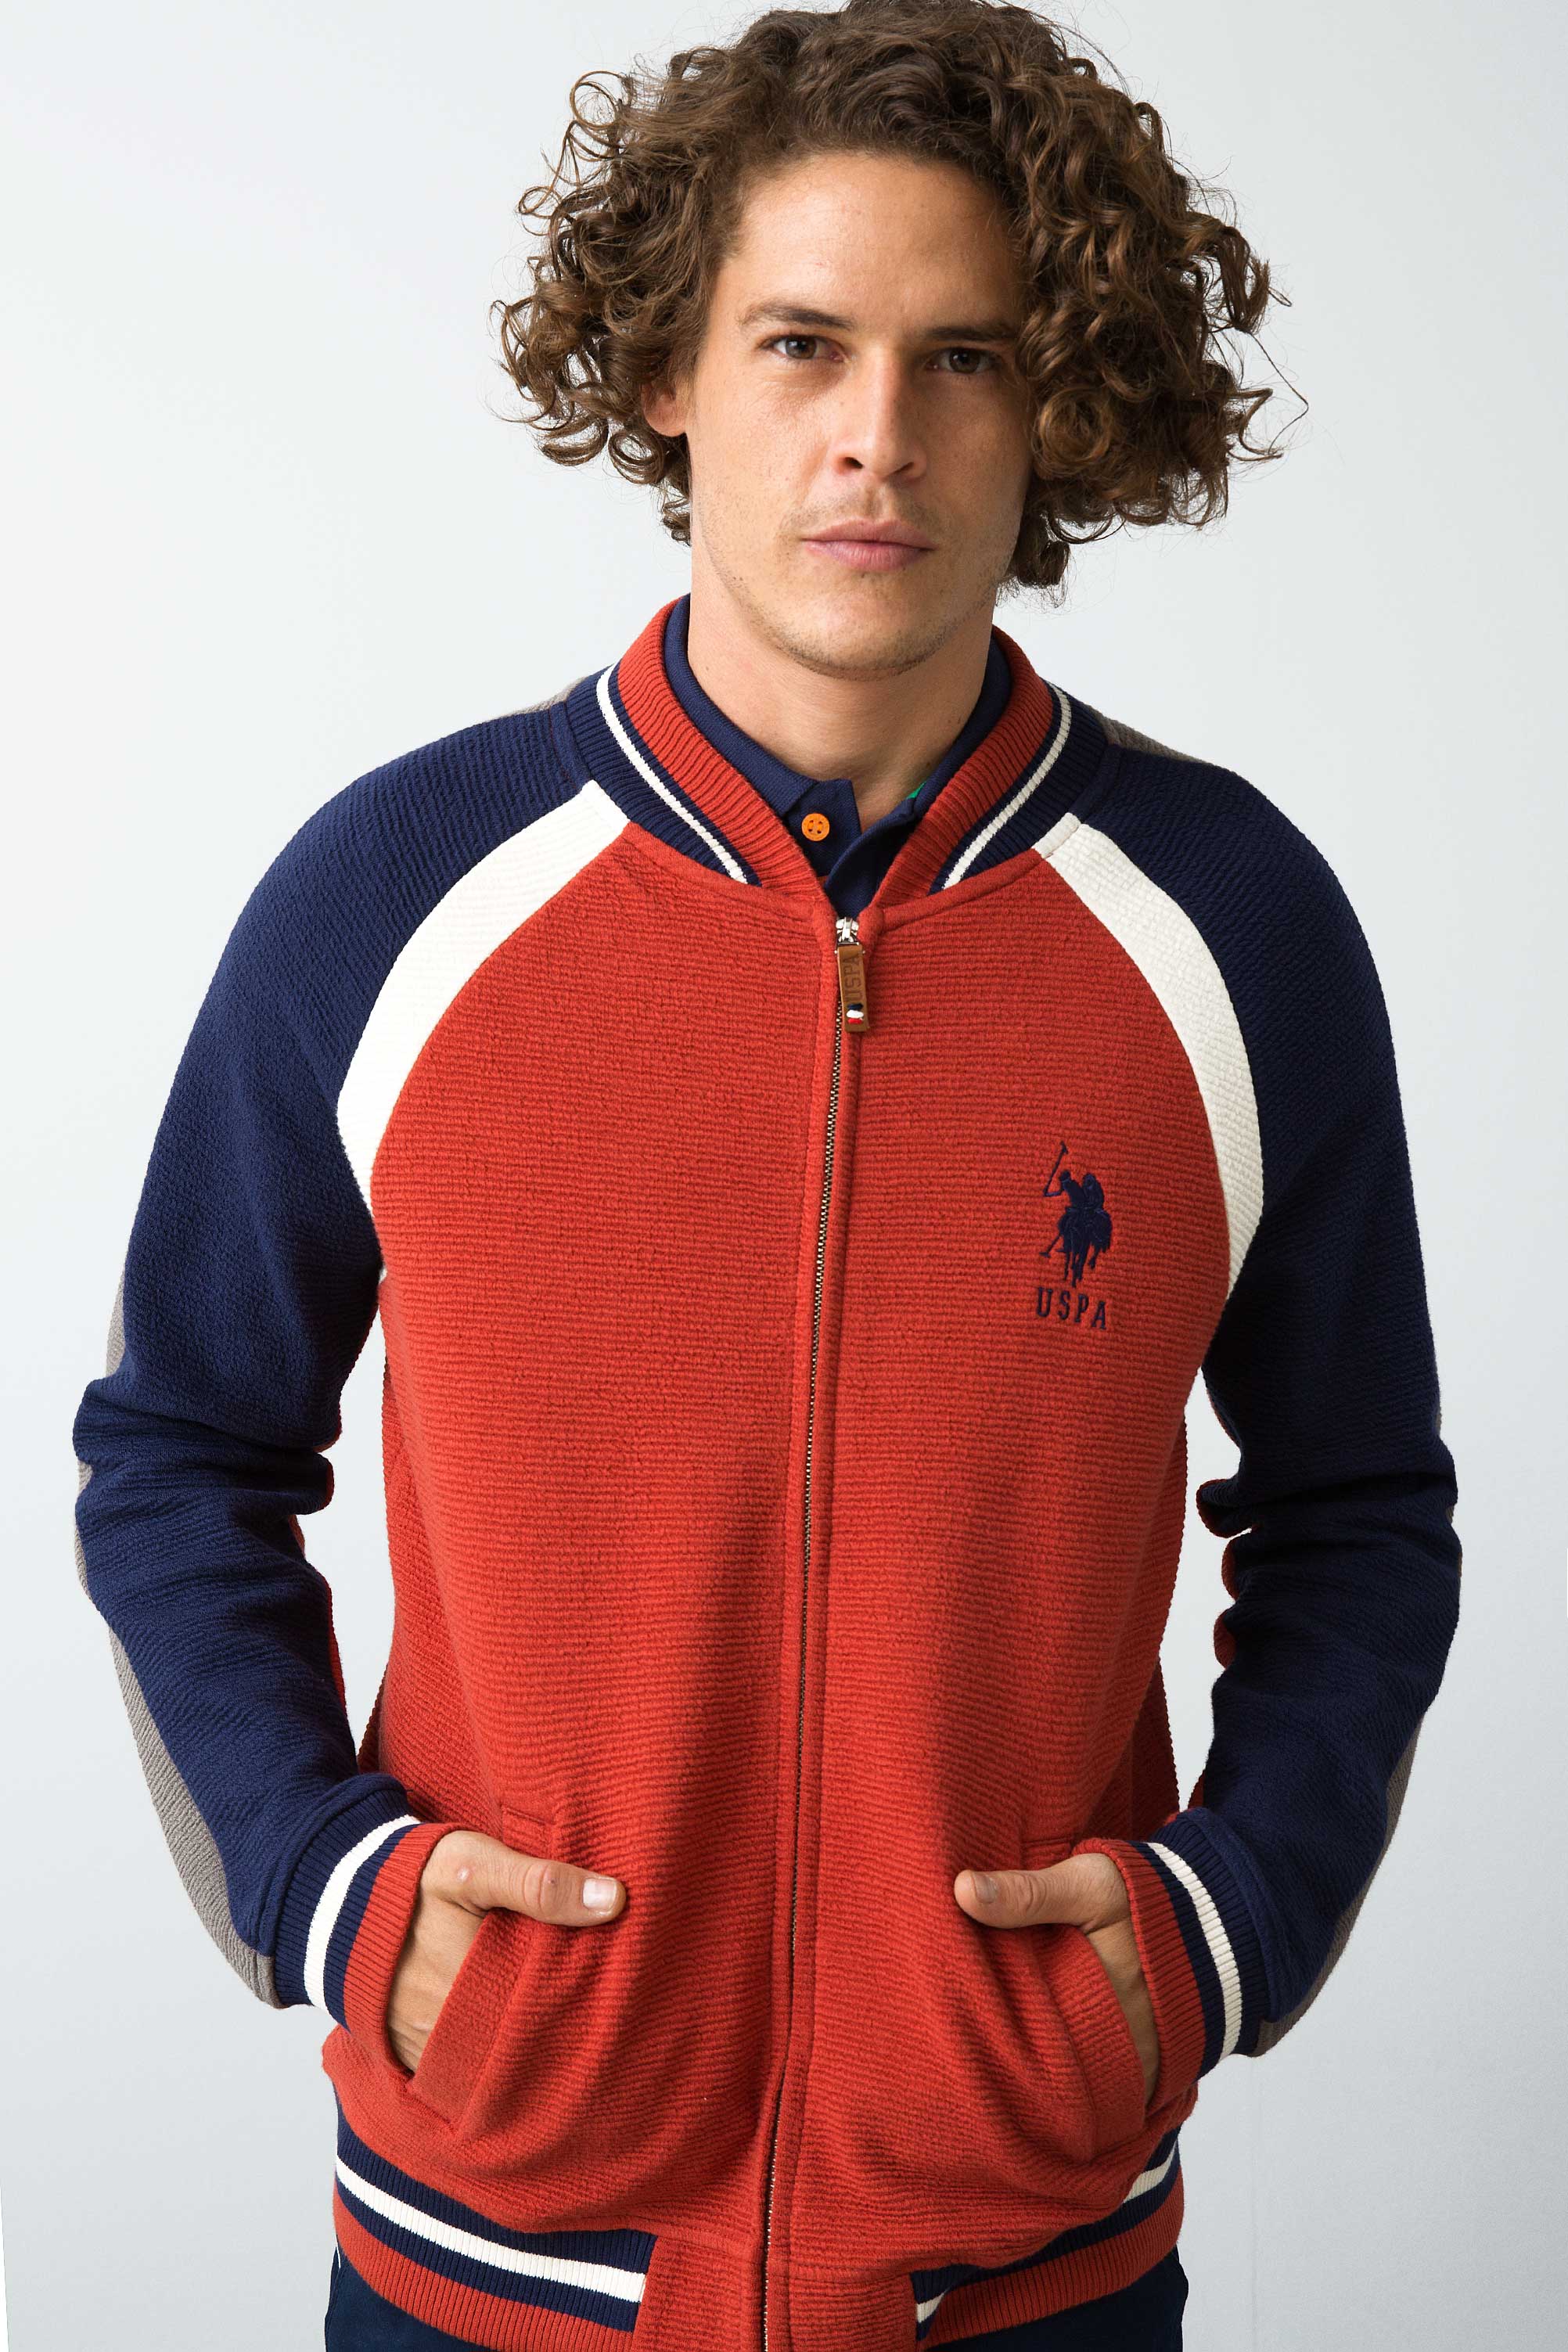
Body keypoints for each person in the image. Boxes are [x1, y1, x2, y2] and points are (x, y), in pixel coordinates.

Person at [70, 5, 1462, 2347]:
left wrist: (1229, 1925)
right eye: (800, 342)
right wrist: (322, 1886)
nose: (874, 437)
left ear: (1058, 405)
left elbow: (1360, 1511)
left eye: (964, 360)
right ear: (666, 373)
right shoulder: (394, 900)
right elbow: (178, 1451)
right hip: (486, 2257)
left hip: (1023, 2268)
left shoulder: (1232, 930)